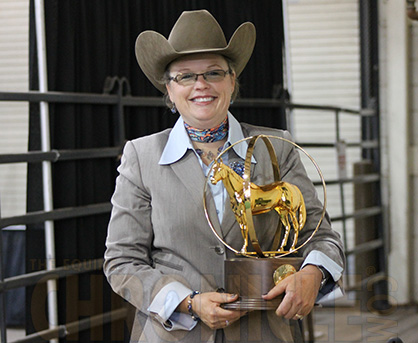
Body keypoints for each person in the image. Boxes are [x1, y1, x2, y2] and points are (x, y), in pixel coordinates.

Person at [104, 9, 345, 343]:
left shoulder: (277, 148)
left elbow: (322, 237)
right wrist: (187, 303)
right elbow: (122, 262)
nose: (201, 85)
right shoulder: (141, 157)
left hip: (265, 333)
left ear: (232, 80)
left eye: (213, 73)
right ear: (170, 91)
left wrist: (313, 274)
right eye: (185, 76)